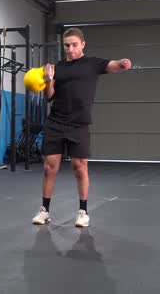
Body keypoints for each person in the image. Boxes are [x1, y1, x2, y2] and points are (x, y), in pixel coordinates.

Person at [32, 27, 132, 227]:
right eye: (67, 45)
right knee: (49, 168)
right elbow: (49, 96)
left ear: (83, 44)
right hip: (56, 122)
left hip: (79, 124)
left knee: (80, 167)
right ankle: (44, 211)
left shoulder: (92, 64)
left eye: (74, 45)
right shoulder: (57, 68)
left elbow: (114, 65)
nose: (70, 49)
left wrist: (123, 63)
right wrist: (48, 80)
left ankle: (83, 212)